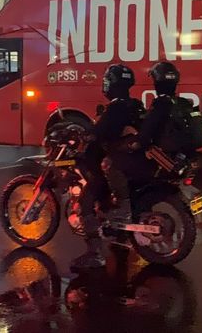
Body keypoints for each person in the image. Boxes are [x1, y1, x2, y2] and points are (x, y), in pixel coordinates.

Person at [71, 64, 146, 271]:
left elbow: (99, 131)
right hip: (132, 161)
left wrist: (86, 135)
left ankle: (94, 254)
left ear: (111, 84)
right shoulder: (134, 105)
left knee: (87, 199)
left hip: (116, 162)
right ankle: (117, 231)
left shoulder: (116, 108)